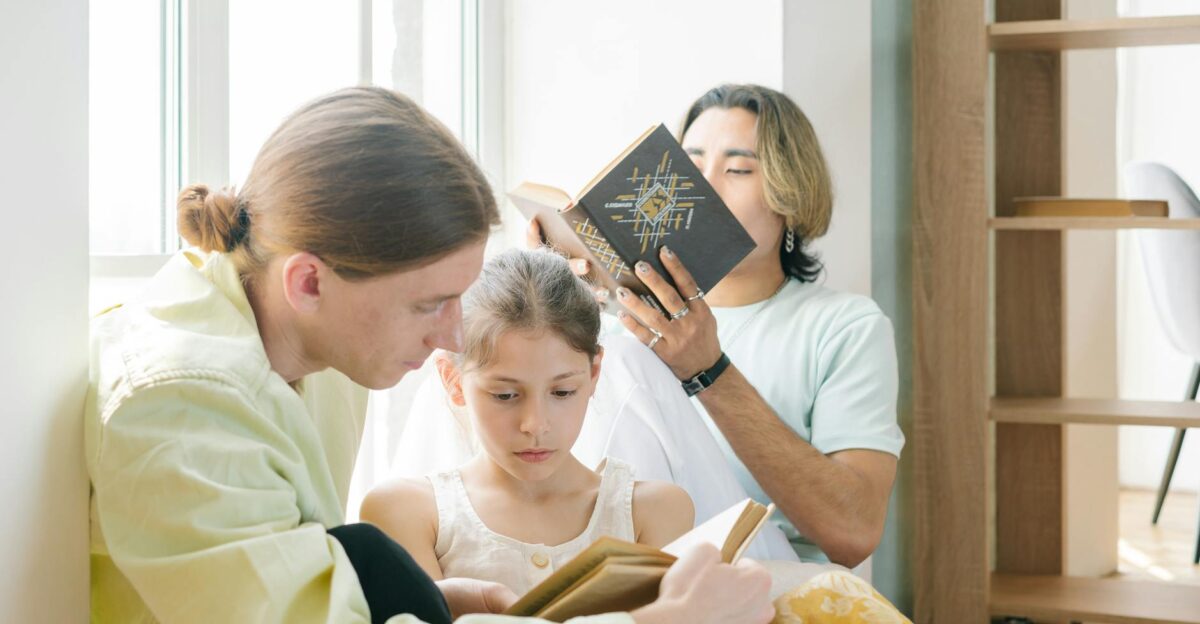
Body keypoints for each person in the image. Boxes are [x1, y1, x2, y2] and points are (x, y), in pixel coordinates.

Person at [84, 86, 775, 624]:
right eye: (427, 305)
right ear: (309, 282)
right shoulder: (185, 404)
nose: (451, 336)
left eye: (458, 299)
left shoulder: (309, 344)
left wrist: (428, 603)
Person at [530, 84, 903, 568]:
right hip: (623, 558)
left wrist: (707, 370)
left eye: (738, 169)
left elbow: (854, 533)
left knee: (623, 359)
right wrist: (550, 304)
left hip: (760, 565)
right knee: (467, 360)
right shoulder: (622, 320)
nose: (703, 188)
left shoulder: (844, 327)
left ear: (790, 195)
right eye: (689, 166)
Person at [361, 249, 695, 595]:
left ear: (594, 374)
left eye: (563, 392)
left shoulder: (651, 512)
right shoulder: (409, 513)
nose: (535, 425)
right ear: (453, 381)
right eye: (505, 396)